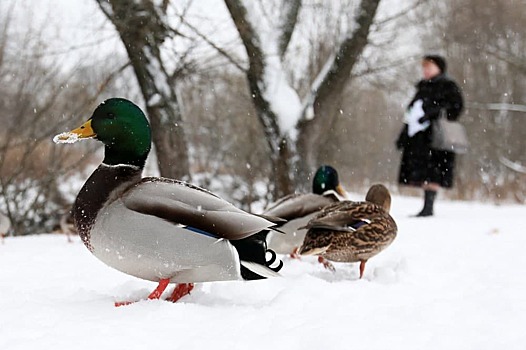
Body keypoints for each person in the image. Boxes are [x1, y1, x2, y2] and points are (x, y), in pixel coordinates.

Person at [396, 55, 464, 217]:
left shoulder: (448, 86)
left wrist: (435, 113)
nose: (426, 70)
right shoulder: (422, 88)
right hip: (419, 137)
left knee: (434, 171)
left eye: (429, 67)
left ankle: (429, 206)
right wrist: (404, 135)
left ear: (439, 68)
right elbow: (411, 113)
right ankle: (426, 206)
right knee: (423, 170)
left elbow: (456, 107)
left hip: (437, 137)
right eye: (424, 67)